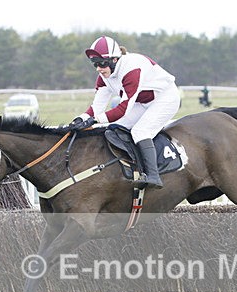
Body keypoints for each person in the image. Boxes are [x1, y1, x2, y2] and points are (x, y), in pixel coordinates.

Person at [68, 35, 182, 189]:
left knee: (140, 132)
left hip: (165, 98)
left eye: (102, 63)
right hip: (142, 101)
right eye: (95, 64)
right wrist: (81, 118)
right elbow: (96, 107)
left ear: (115, 59)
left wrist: (95, 120)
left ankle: (154, 176)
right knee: (114, 127)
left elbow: (123, 109)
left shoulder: (131, 70)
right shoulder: (104, 76)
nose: (99, 69)